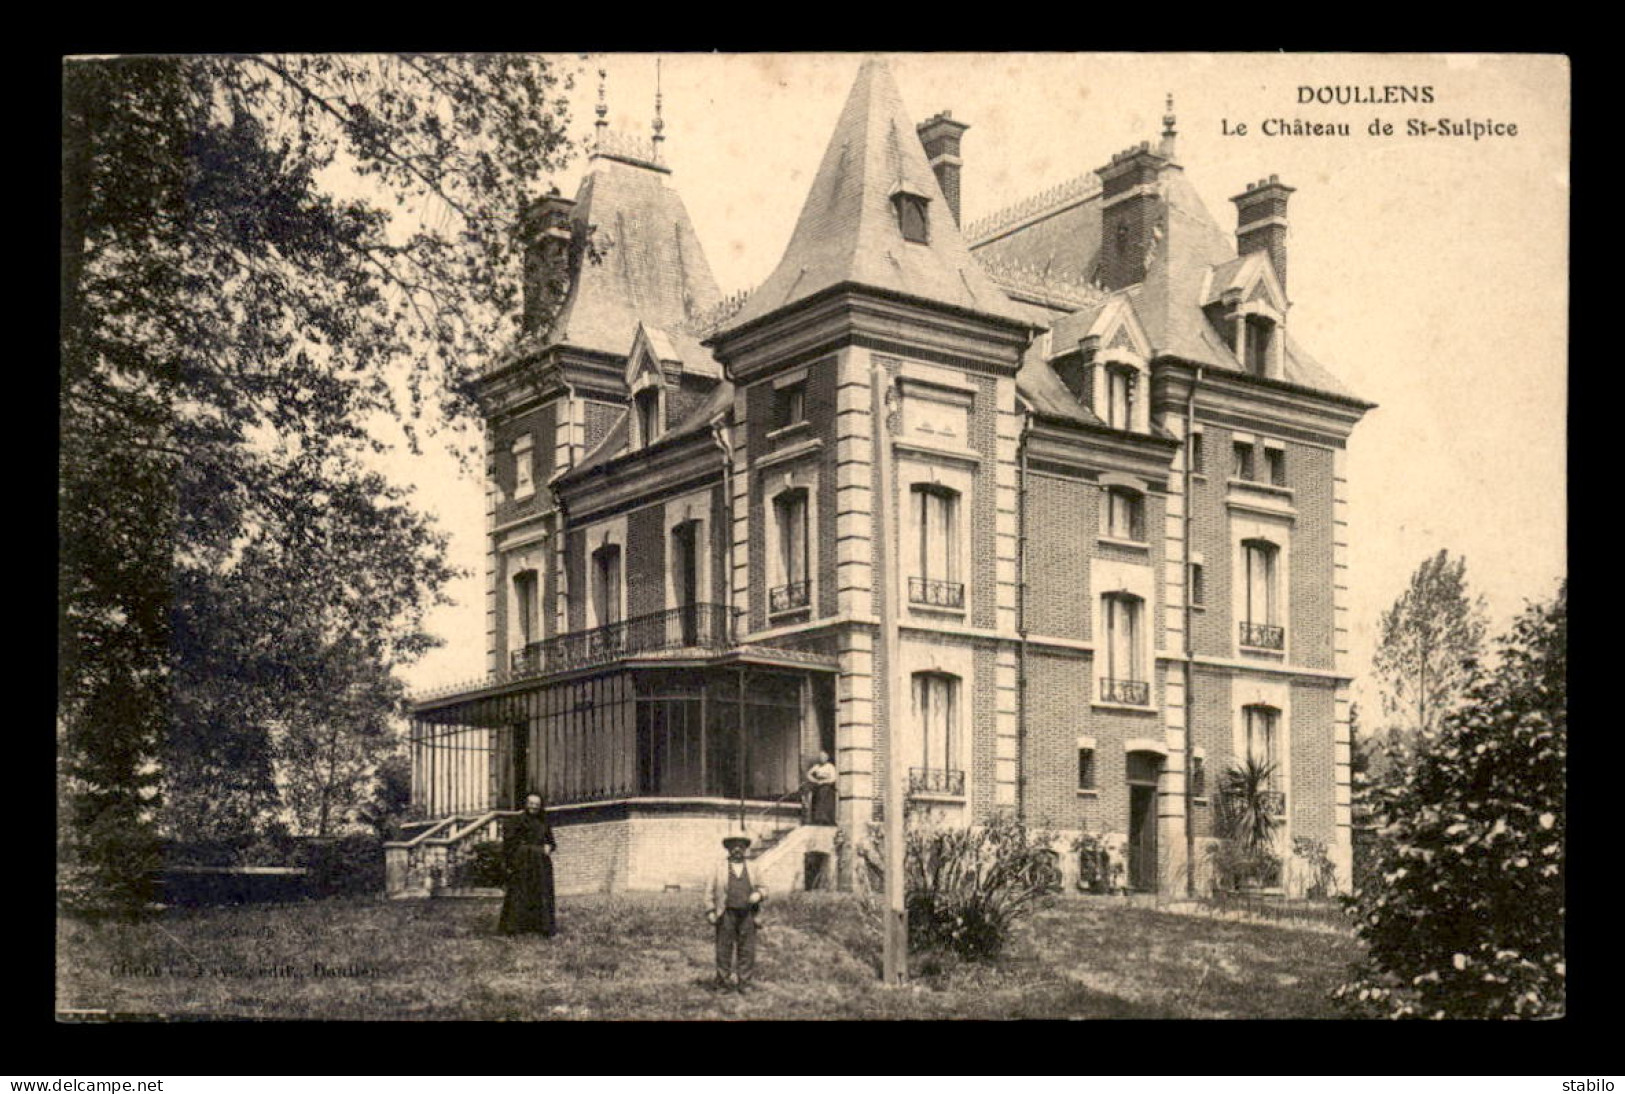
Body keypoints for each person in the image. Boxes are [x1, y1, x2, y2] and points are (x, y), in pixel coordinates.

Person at [704, 834, 765, 991]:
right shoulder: (719, 867)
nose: (737, 849)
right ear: (729, 849)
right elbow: (709, 891)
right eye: (734, 846)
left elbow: (764, 888)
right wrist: (710, 910)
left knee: (747, 949)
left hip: (748, 914)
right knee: (723, 949)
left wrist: (758, 895)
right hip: (726, 913)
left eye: (741, 846)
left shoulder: (753, 867)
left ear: (745, 849)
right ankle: (723, 983)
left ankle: (745, 983)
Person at [498, 792, 557, 936]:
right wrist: (523, 853)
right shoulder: (518, 821)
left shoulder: (544, 822)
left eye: (537, 805)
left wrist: (549, 847)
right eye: (531, 804)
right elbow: (510, 843)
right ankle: (514, 928)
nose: (534, 807)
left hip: (541, 864)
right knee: (520, 893)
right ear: (526, 804)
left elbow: (551, 841)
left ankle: (542, 927)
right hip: (523, 863)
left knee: (541, 893)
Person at [805, 751, 837, 826]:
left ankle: (826, 819)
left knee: (825, 803)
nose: (822, 759)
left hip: (827, 787)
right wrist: (814, 780)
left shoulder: (830, 766)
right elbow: (808, 774)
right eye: (820, 757)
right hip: (818, 787)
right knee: (817, 801)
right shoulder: (817, 766)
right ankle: (817, 819)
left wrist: (824, 782)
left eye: (823, 757)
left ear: (827, 758)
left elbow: (833, 778)